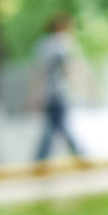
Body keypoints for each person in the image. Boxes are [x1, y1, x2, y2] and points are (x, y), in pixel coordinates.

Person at [29, 12, 86, 165]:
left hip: (50, 94)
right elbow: (70, 71)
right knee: (59, 126)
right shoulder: (64, 43)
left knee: (56, 126)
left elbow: (38, 72)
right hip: (59, 93)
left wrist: (34, 96)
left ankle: (40, 161)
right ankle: (79, 156)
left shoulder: (43, 44)